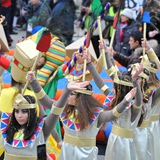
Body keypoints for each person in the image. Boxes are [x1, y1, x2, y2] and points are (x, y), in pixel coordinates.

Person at [26, 57, 142, 160]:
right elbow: (45, 100)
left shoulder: (96, 113)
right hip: (67, 153)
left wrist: (125, 101)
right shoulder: (65, 108)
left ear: (79, 98)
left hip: (86, 155)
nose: (67, 97)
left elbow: (112, 114)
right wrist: (34, 82)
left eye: (71, 94)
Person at [0, 79, 89, 159]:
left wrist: (67, 91)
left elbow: (56, 111)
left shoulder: (41, 129)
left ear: (32, 112)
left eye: (24, 111)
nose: (19, 115)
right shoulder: (7, 124)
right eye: (17, 111)